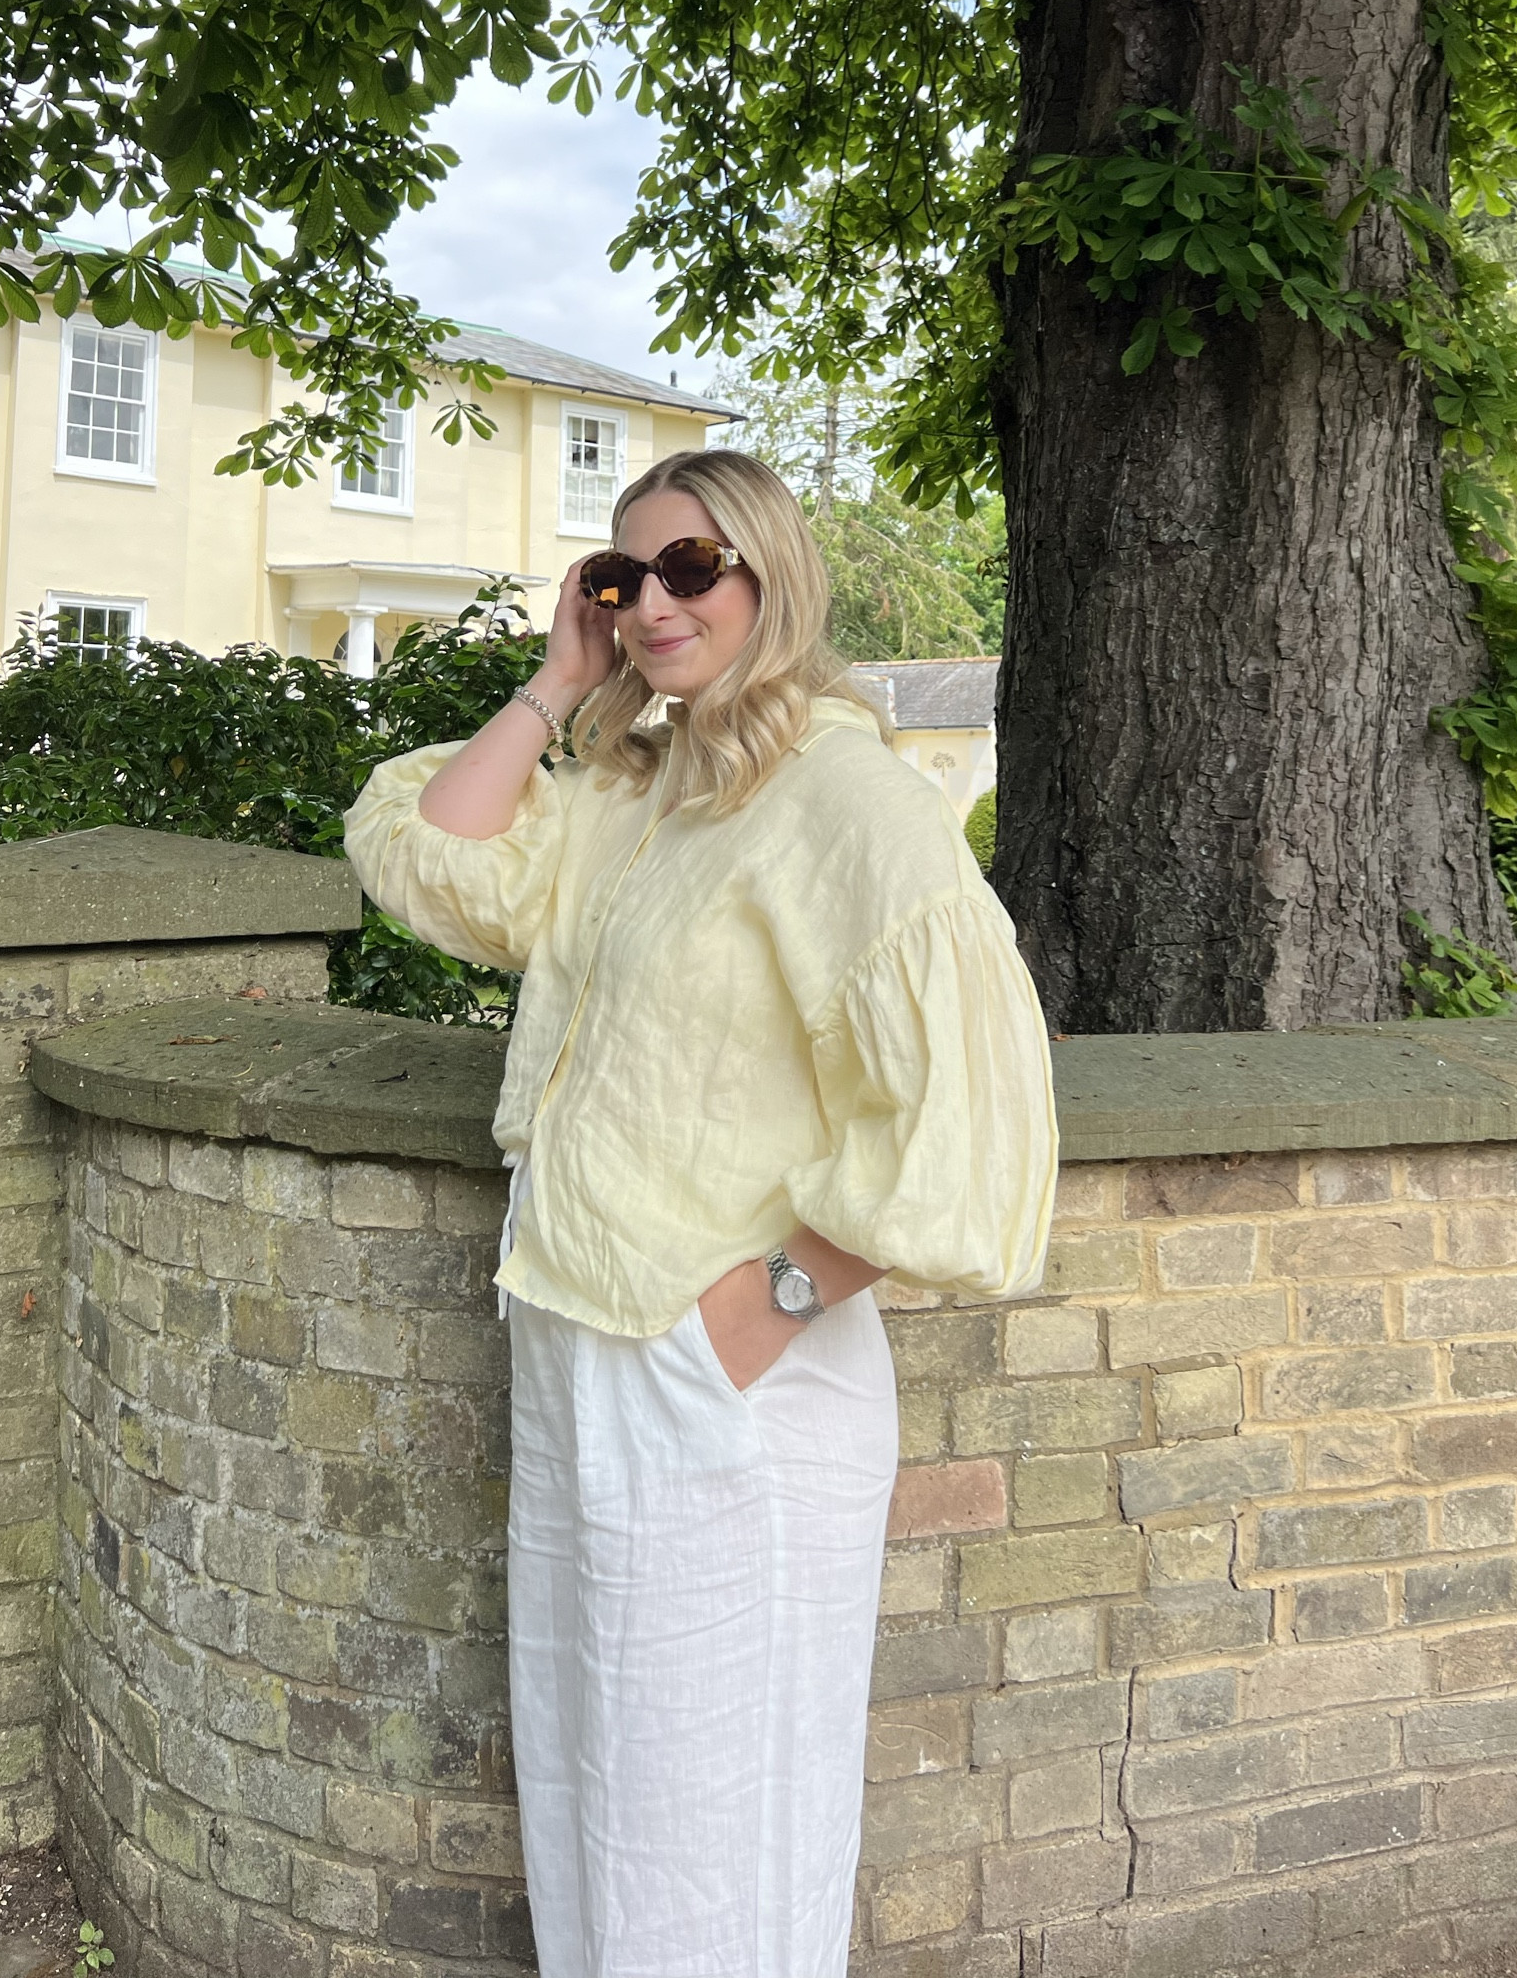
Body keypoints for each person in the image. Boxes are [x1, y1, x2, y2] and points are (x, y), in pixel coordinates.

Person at [343, 449, 1057, 1978]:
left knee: (718, 1811)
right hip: (579, 1335)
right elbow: (430, 854)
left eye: (691, 569)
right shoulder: (635, 789)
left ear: (769, 578)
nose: (654, 604)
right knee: (597, 1788)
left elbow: (967, 1108)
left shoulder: (847, 799)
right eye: (623, 576)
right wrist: (559, 679)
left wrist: (753, 1316)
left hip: (724, 1377)